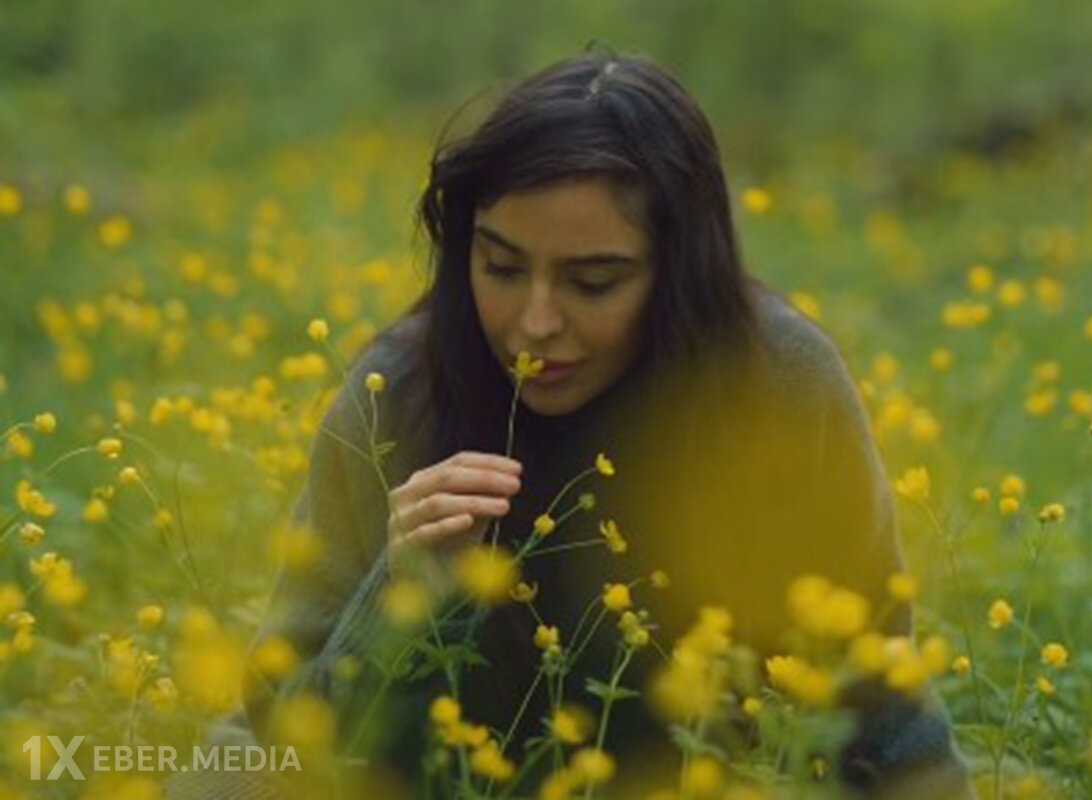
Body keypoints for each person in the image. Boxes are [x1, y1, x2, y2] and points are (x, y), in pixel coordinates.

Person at [232, 51, 975, 799]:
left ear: (679, 272)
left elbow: (884, 716)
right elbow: (277, 736)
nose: (535, 324)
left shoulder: (780, 386)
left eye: (593, 283)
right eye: (501, 268)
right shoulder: (397, 396)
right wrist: (399, 599)